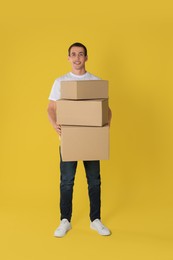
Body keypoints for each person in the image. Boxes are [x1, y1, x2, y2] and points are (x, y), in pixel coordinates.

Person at [47, 42, 112, 237]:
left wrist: (106, 128)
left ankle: (96, 220)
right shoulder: (60, 82)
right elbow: (51, 108)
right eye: (73, 54)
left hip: (91, 140)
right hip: (69, 140)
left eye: (81, 54)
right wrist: (54, 124)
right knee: (67, 181)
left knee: (94, 181)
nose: (77, 58)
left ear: (86, 58)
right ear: (68, 58)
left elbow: (106, 109)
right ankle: (65, 220)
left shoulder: (95, 81)